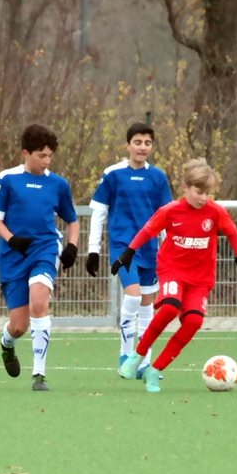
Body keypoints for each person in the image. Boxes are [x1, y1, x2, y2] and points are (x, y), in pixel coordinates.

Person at [112, 158, 237, 392]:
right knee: (169, 308)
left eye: (207, 193)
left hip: (200, 279)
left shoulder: (215, 212)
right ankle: (136, 357)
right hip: (172, 270)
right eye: (199, 192)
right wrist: (129, 252)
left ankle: (154, 370)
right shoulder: (170, 211)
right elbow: (148, 231)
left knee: (194, 322)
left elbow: (232, 232)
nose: (203, 198)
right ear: (185, 188)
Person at [0, 123, 79, 392]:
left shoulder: (58, 184)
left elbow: (72, 221)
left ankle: (39, 374)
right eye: (41, 155)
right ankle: (7, 344)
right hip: (13, 256)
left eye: (50, 156)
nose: (46, 161)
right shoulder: (6, 179)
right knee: (19, 327)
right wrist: (13, 239)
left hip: (45, 250)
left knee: (39, 301)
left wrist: (72, 247)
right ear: (25, 153)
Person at [85, 122, 174, 378]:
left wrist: (169, 249)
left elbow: (166, 217)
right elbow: (99, 212)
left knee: (147, 306)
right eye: (137, 142)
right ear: (128, 145)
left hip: (150, 249)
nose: (142, 147)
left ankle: (144, 363)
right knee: (133, 297)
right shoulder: (113, 174)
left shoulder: (158, 177)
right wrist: (93, 250)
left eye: (147, 143)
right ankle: (125, 355)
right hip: (123, 247)